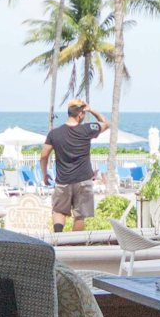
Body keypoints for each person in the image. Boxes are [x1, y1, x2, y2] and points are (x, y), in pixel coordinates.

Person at [39, 99, 106, 233]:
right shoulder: (87, 129)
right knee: (79, 216)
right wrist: (91, 110)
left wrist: (45, 174)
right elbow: (105, 123)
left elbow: (44, 156)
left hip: (63, 180)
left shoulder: (54, 133)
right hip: (83, 180)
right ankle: (74, 245)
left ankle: (58, 239)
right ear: (80, 114)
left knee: (59, 211)